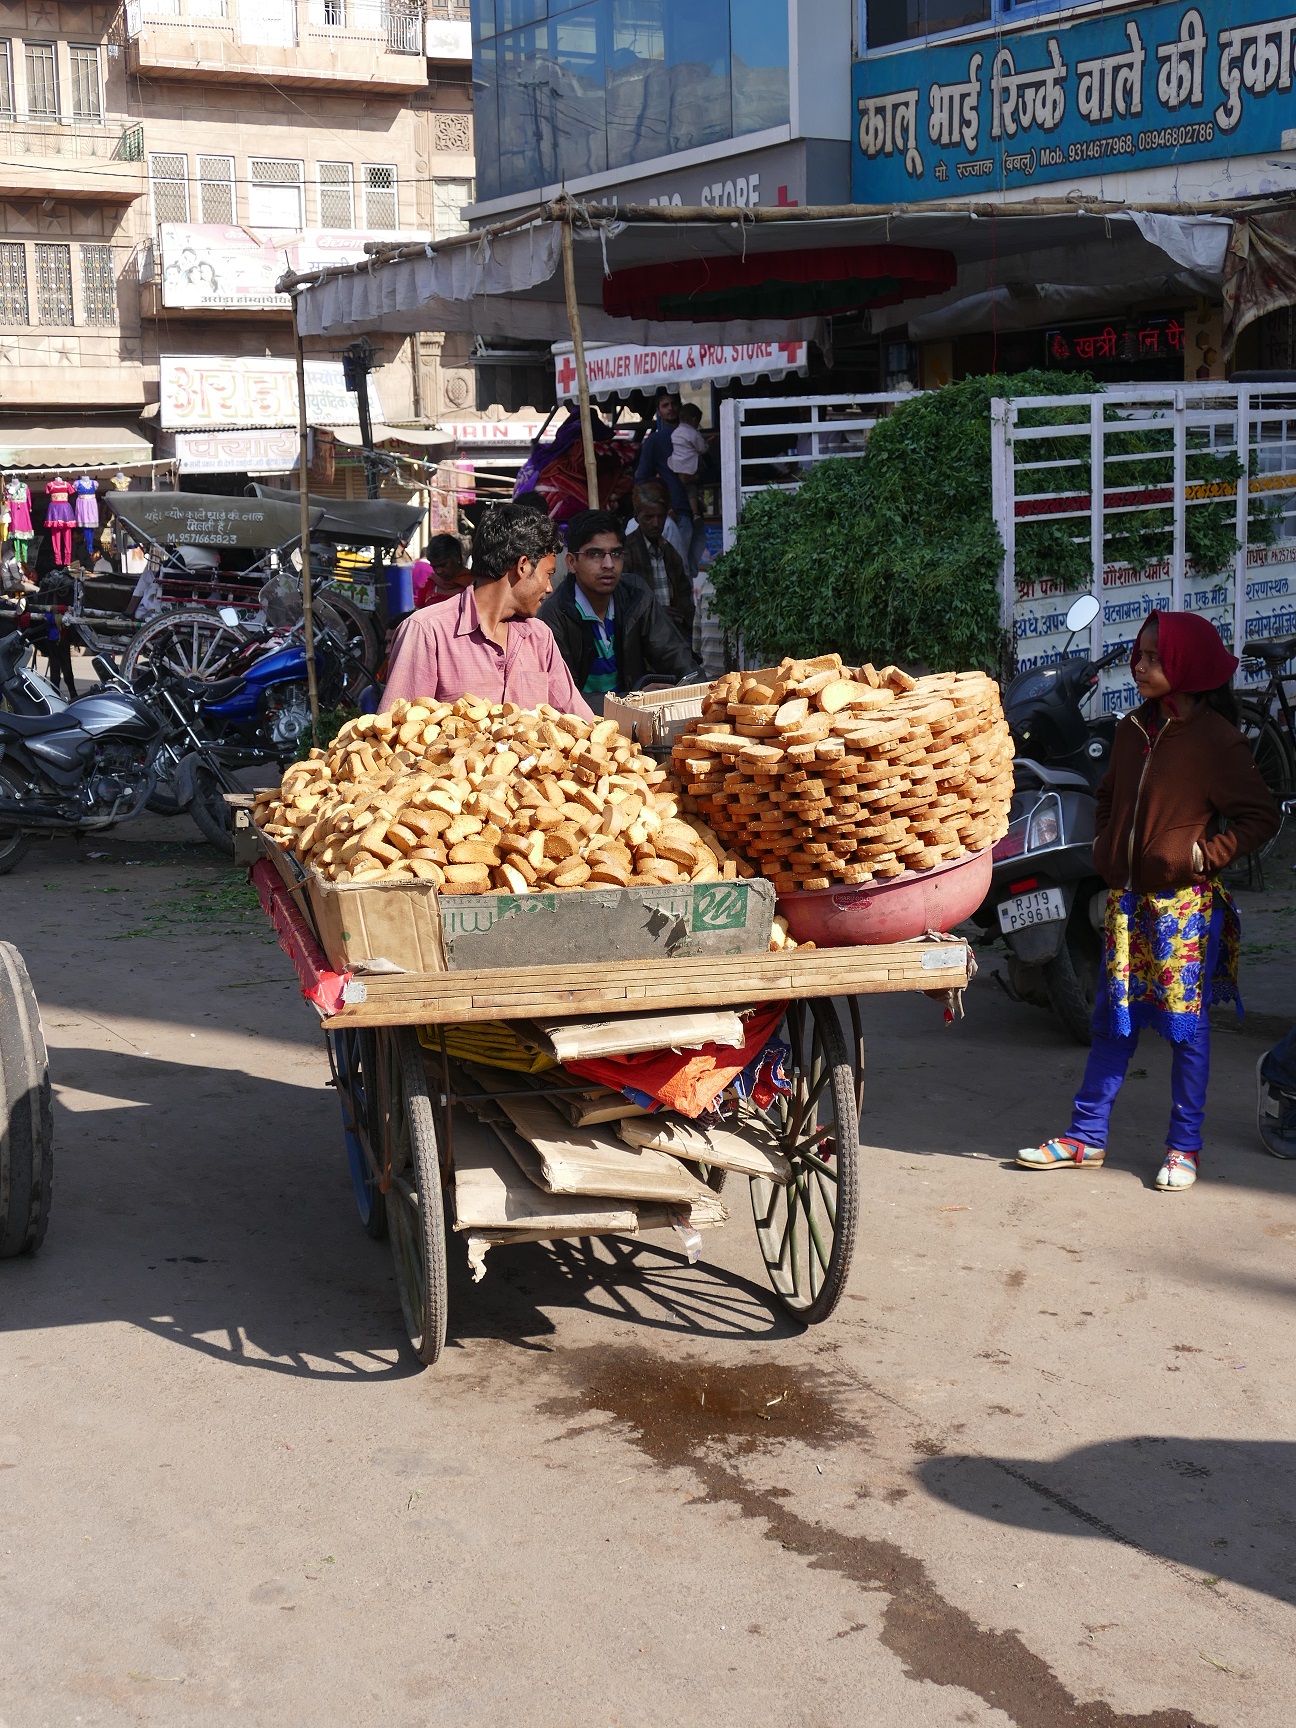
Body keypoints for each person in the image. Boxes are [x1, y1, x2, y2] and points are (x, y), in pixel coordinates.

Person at [1017, 612, 1279, 1192]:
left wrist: (1205, 855)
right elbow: (1108, 796)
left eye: (1154, 657)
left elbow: (1260, 817)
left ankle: (1184, 1147)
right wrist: (1107, 846)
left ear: (1188, 666)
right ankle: (1085, 1137)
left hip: (1184, 911)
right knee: (1113, 1024)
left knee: (1186, 1031)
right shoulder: (1133, 728)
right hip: (1127, 906)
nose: (1139, 665)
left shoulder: (1218, 741)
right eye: (1140, 654)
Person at [383, 503, 593, 717]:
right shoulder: (426, 632)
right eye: (548, 574)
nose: (549, 588)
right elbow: (394, 728)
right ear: (522, 566)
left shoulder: (539, 637)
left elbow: (579, 719)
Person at [539, 510, 699, 713]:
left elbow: (674, 654)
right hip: (584, 725)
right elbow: (561, 700)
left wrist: (699, 690)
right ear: (572, 562)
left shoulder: (636, 594)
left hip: (637, 719)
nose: (609, 564)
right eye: (595, 554)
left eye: (616, 554)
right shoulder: (554, 614)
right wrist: (632, 700)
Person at [622, 484, 694, 639]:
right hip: (639, 636)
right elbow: (621, 600)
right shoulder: (626, 551)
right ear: (637, 517)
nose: (656, 523)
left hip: (671, 634)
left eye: (660, 516)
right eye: (648, 517)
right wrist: (656, 611)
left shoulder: (669, 551)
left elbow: (684, 596)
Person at [635, 390, 690, 520]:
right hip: (675, 511)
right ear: (659, 411)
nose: (670, 408)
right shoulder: (655, 440)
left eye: (673, 404)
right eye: (665, 405)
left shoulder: (692, 435)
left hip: (701, 506)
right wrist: (662, 506)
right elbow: (642, 479)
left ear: (680, 406)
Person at [668, 402, 711, 518]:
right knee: (695, 485)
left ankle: (695, 511)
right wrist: (706, 444)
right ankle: (697, 509)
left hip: (677, 465)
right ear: (694, 420)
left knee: (689, 488)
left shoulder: (675, 432)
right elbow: (702, 449)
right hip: (691, 465)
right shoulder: (693, 433)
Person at [414, 534, 473, 608]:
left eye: (443, 565)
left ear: (457, 557)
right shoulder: (429, 585)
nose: (438, 571)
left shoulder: (474, 586)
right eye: (434, 566)